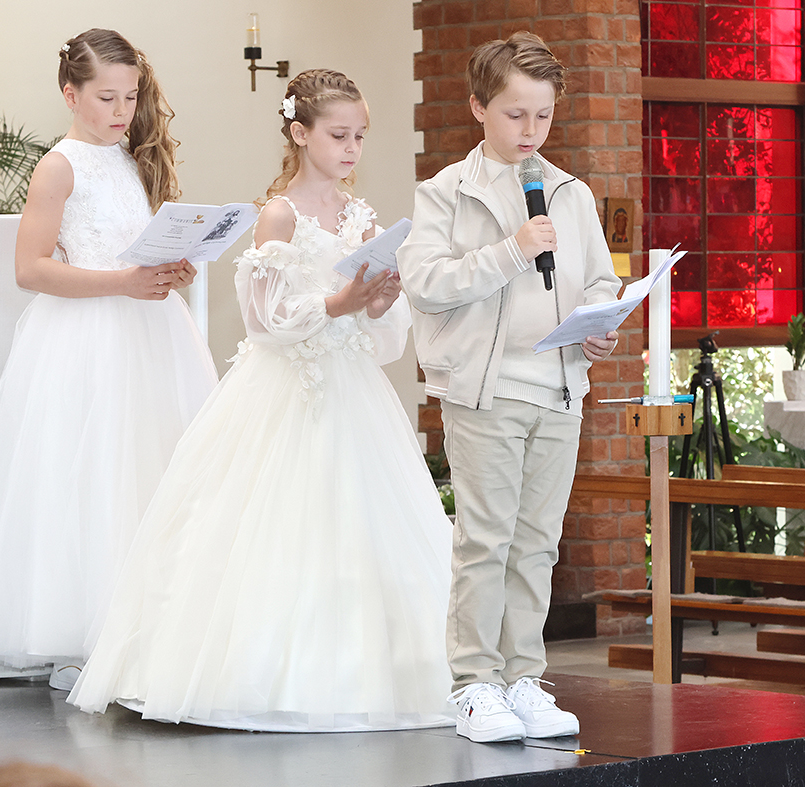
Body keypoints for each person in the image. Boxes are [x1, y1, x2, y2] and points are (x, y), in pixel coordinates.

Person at [68, 69, 454, 732]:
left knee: (360, 525)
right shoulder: (279, 214)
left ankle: (379, 672)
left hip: (351, 390)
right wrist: (339, 301)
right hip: (284, 390)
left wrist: (379, 303)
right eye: (338, 135)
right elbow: (265, 320)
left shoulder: (361, 217)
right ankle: (256, 675)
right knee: (271, 525)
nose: (351, 148)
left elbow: (383, 339)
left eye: (360, 136)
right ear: (300, 133)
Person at [0, 29, 217, 691]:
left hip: (151, 332)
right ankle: (80, 635)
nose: (122, 110)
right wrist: (125, 281)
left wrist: (170, 269)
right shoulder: (59, 166)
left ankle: (143, 626)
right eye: (106, 97)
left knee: (150, 467)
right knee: (93, 476)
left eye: (130, 96)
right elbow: (30, 268)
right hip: (86, 339)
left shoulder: (132, 159)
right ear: (70, 95)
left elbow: (136, 246)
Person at [397, 32, 622, 744]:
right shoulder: (445, 193)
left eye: (543, 115)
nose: (530, 130)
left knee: (536, 544)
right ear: (478, 107)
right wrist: (510, 251)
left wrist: (600, 325)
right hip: (484, 391)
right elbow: (424, 284)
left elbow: (599, 280)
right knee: (485, 541)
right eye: (515, 114)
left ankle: (523, 676)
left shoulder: (570, 193)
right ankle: (473, 683)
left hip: (558, 390)